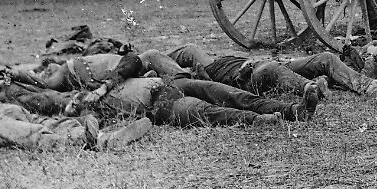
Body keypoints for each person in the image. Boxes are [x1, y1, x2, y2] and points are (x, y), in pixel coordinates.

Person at [69, 50, 318, 127]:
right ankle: (261, 120)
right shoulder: (97, 113)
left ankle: (296, 110)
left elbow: (136, 58)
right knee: (211, 112)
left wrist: (104, 86)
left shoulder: (113, 79)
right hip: (161, 107)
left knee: (232, 94)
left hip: (172, 85)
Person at [0, 100, 152, 158]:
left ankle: (101, 136)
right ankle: (98, 143)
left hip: (9, 110)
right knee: (31, 133)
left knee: (49, 123)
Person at [164, 42, 377, 99]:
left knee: (326, 57)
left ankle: (367, 85)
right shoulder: (207, 76)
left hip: (265, 65)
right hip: (253, 75)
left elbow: (186, 53)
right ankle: (313, 88)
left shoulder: (214, 61)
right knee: (273, 69)